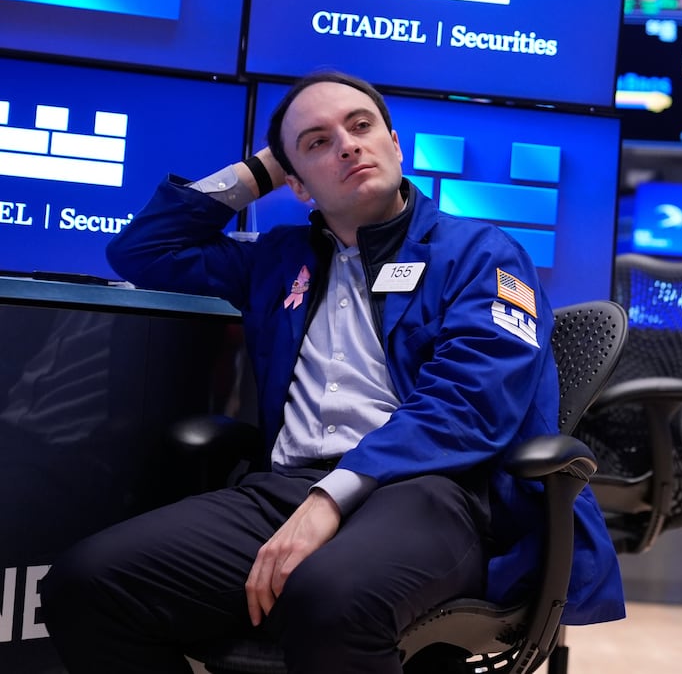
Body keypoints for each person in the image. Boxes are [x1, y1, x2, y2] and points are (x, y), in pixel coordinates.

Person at [41, 71, 625, 673]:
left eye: (362, 126)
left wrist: (332, 496)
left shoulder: (480, 253)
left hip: (431, 492)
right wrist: (264, 167)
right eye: (318, 143)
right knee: (86, 585)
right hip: (282, 493)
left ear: (396, 146)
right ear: (295, 183)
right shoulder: (276, 258)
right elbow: (142, 250)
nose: (348, 145)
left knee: (331, 597)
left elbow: (470, 408)